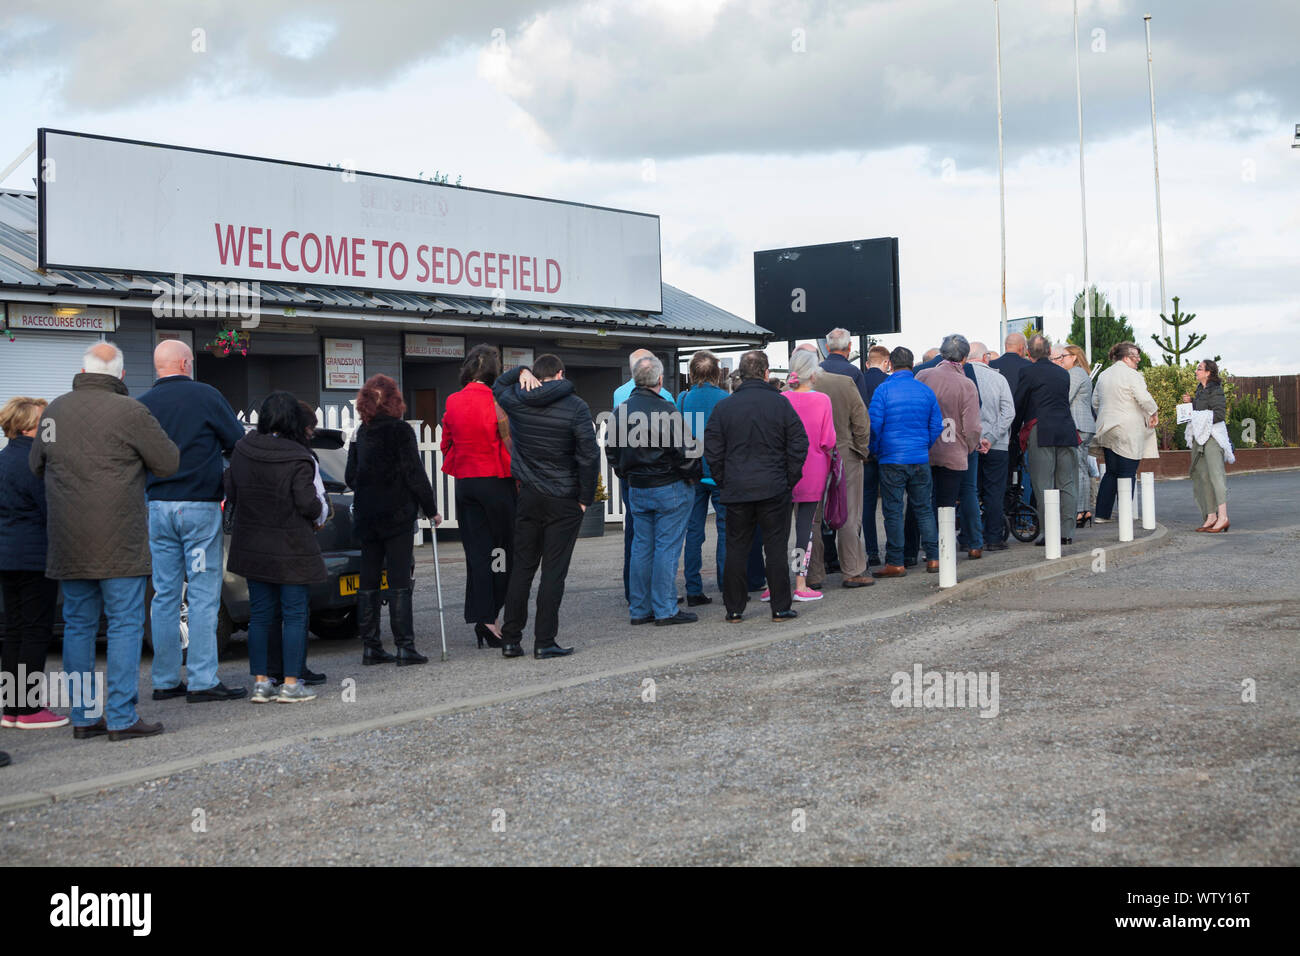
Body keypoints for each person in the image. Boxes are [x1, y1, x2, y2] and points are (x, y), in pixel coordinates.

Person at [31, 343, 179, 738]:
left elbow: (35, 464)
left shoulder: (54, 411)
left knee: (78, 626)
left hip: (68, 539)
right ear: (122, 375)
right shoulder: (131, 412)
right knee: (124, 625)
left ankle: (82, 718)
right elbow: (168, 462)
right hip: (121, 542)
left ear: (82, 369)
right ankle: (121, 716)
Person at [137, 340, 247, 703]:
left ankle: (166, 680)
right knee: (202, 594)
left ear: (158, 367)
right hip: (199, 508)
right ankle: (202, 680)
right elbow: (236, 443)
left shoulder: (141, 405)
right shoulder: (206, 395)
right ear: (186, 363)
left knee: (165, 594)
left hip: (157, 507)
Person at [494, 354, 599, 658]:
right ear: (561, 374)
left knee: (522, 568)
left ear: (537, 376)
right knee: (554, 571)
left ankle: (511, 639)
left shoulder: (516, 399)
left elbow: (498, 384)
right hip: (564, 498)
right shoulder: (576, 406)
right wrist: (585, 499)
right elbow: (588, 456)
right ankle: (544, 641)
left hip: (528, 495)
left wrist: (520, 372)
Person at [226, 392, 327, 702]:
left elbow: (231, 490)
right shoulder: (298, 456)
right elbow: (308, 503)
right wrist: (321, 509)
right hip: (292, 546)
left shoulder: (242, 450)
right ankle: (291, 684)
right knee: (295, 615)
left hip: (253, 544)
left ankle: (261, 682)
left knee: (260, 616)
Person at [704, 350, 807, 623]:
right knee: (775, 548)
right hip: (774, 486)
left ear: (741, 373)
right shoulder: (780, 404)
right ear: (766, 373)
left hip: (737, 487)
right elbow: (799, 443)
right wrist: (789, 478)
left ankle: (734, 609)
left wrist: (723, 478)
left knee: (736, 547)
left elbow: (712, 449)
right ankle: (780, 607)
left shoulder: (724, 407)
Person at [346, 375, 440, 666]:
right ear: (393, 401)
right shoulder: (401, 431)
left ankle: (371, 646)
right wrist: (430, 508)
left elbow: (351, 477)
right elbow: (414, 473)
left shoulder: (362, 432)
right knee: (399, 577)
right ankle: (404, 646)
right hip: (396, 514)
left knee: (369, 577)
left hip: (367, 514)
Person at [607, 355, 701, 625]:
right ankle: (665, 608)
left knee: (642, 546)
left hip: (638, 485)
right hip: (668, 486)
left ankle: (640, 608)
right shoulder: (667, 410)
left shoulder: (621, 410)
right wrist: (690, 476)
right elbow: (688, 451)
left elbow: (611, 450)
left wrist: (625, 472)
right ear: (660, 380)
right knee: (666, 548)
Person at [0, 397, 66, 730]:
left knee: (12, 631)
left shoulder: (2, 459)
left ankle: (11, 706)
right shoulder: (35, 463)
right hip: (35, 557)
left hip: (6, 557)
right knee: (36, 631)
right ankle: (28, 708)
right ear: (31, 425)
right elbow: (50, 510)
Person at [442, 345, 514, 648]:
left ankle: (482, 618)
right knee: (502, 553)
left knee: (477, 554)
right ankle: (493, 617)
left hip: (466, 483)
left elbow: (446, 444)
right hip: (496, 481)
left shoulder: (453, 400)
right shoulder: (499, 400)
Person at [869, 347, 944, 578]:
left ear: (890, 363)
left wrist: (877, 450)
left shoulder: (883, 390)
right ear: (912, 364)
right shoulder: (925, 391)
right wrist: (923, 445)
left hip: (891, 458)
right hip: (919, 458)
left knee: (893, 510)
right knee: (923, 510)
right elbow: (936, 425)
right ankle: (934, 558)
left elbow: (874, 425)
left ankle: (896, 562)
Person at [804, 346, 872, 588]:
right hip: (844, 453)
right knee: (848, 512)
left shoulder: (791, 389)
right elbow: (861, 419)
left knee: (809, 518)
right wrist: (861, 450)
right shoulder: (845, 382)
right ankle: (852, 570)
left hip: (807, 459)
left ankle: (812, 576)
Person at [613, 349, 674, 606]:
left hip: (632, 475)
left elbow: (614, 442)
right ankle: (661, 597)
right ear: (658, 375)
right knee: (663, 541)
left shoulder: (619, 395)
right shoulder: (666, 397)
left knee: (636, 536)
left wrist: (622, 470)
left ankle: (634, 594)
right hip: (662, 478)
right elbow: (679, 442)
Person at [779, 349, 837, 601]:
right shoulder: (822, 400)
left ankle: (776, 582)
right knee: (805, 529)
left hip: (781, 470)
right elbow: (828, 440)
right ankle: (800, 582)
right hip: (813, 469)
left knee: (777, 530)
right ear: (814, 373)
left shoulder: (781, 399)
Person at [1010, 334, 1079, 546]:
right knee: (1067, 483)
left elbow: (1019, 404)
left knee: (1044, 484)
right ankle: (1067, 532)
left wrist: (1014, 432)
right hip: (1067, 429)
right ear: (1050, 352)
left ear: (1029, 353)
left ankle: (1050, 533)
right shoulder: (1063, 373)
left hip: (1041, 430)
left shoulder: (1027, 372)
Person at [676, 350, 729, 605]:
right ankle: (726, 583)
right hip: (721, 472)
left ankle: (694, 588)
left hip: (693, 473)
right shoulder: (725, 399)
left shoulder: (683, 399)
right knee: (725, 530)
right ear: (716, 373)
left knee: (694, 531)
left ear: (693, 372)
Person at [1091, 342, 1158, 522]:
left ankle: (1101, 515)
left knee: (1111, 472)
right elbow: (1144, 398)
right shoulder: (1132, 375)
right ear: (1127, 358)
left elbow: (1095, 402)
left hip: (1106, 427)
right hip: (1129, 429)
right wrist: (1153, 412)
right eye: (1136, 357)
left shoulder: (1104, 375)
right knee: (1128, 472)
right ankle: (1125, 517)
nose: (1138, 361)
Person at [968, 342, 1015, 552]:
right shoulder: (999, 379)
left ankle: (969, 538)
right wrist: (992, 437)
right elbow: (1009, 413)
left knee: (969, 492)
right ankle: (994, 538)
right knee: (994, 492)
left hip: (969, 445)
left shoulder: (963, 378)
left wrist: (977, 439)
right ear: (986, 357)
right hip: (997, 445)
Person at [1184, 359, 1230, 533]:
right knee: (1202, 476)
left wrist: (1197, 415)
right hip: (1199, 438)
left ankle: (1223, 517)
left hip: (1212, 438)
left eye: (1199, 369)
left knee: (1216, 476)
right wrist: (1191, 403)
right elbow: (1201, 411)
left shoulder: (1215, 390)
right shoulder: (1200, 390)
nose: (1196, 371)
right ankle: (1211, 515)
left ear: (1208, 372)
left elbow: (1219, 414)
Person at [1056, 344, 1096, 526]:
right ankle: (1084, 509)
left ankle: (1080, 511)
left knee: (1077, 469)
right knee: (1081, 468)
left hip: (1078, 425)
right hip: (1085, 424)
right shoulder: (1082, 374)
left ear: (1074, 357)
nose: (1061, 359)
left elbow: (1064, 397)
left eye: (1064, 356)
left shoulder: (1075, 374)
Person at [861, 345, 891, 566]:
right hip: (888, 451)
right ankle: (893, 549)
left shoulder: (858, 381)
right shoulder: (889, 383)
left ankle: (871, 551)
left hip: (865, 453)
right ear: (887, 363)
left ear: (867, 363)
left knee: (867, 504)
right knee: (891, 503)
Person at [820, 328, 871, 407]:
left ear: (827, 347)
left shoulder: (816, 371)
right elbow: (862, 407)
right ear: (849, 346)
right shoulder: (855, 372)